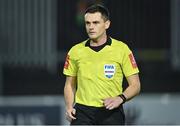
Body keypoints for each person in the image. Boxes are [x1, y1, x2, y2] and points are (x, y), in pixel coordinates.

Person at [63, 4, 141, 125]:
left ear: (107, 24)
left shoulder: (122, 49)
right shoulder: (75, 51)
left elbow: (135, 85)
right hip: (82, 113)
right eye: (87, 23)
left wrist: (120, 98)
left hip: (111, 112)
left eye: (95, 23)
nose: (91, 27)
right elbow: (69, 84)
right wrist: (69, 107)